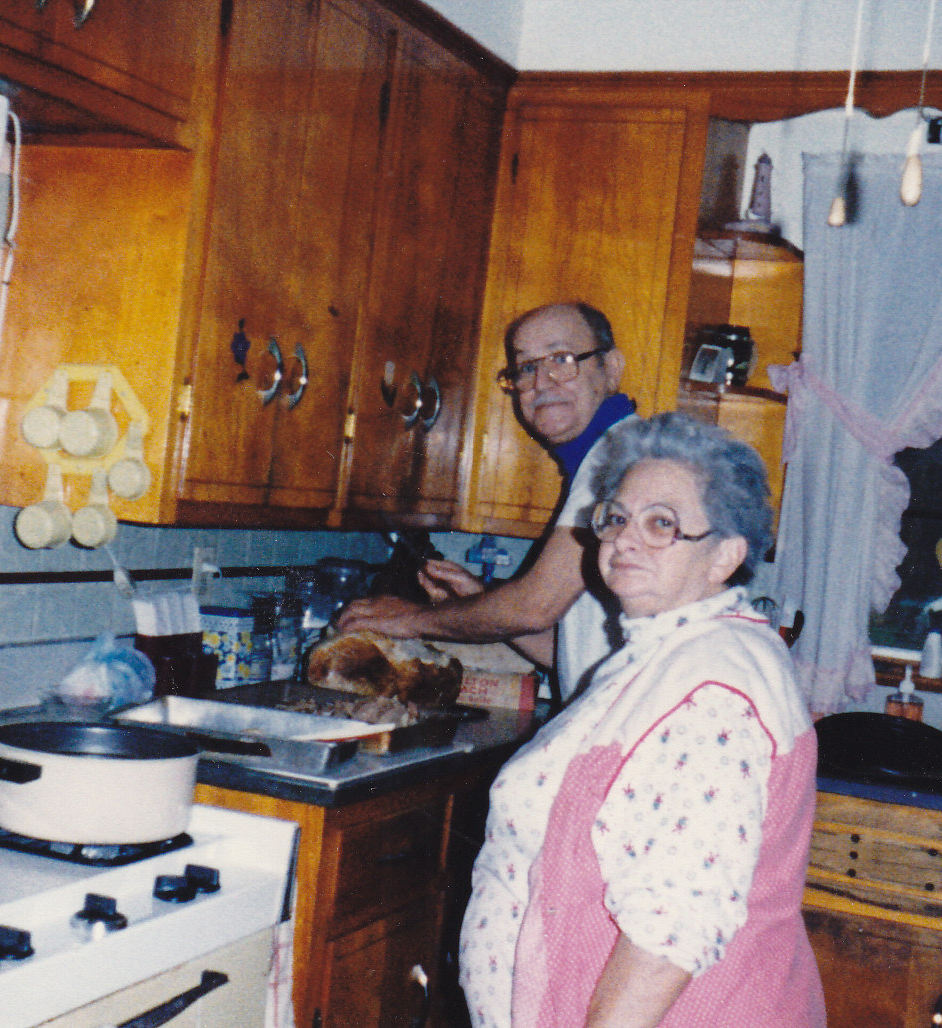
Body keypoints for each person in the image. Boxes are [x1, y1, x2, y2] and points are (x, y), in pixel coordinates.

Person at [459, 411, 824, 1028]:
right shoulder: (669, 651)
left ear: (725, 556)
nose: (626, 540)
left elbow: (670, 931)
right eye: (617, 518)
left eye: (662, 524)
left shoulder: (714, 688)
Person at [338, 301, 636, 700]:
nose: (540, 382)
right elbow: (572, 655)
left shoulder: (618, 462)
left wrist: (413, 618)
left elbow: (534, 608)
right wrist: (479, 601)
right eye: (526, 367)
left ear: (611, 368)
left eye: (562, 359)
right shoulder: (602, 458)